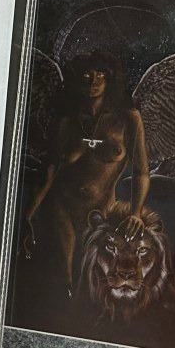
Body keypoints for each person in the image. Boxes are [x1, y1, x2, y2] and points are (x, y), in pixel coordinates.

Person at [22, 50, 151, 293]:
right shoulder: (66, 121)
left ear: (110, 79)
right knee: (63, 286)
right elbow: (50, 169)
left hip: (103, 213)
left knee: (94, 288)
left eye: (100, 74)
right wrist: (27, 215)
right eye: (87, 75)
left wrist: (136, 213)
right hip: (61, 210)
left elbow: (142, 172)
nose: (94, 81)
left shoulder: (128, 118)